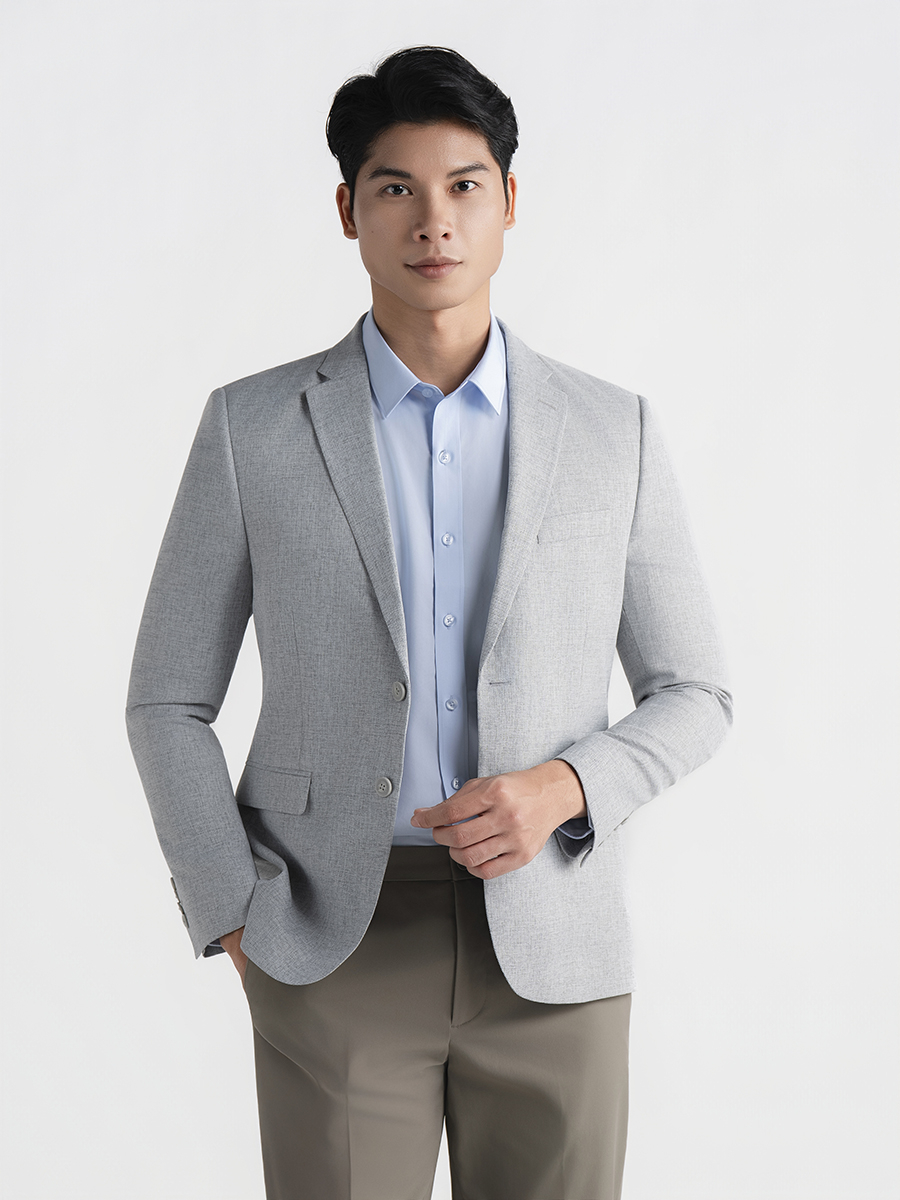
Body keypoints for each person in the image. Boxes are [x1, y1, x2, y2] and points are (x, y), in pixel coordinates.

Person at [126, 45, 732, 1200]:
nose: (434, 219)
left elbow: (697, 691)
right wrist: (234, 913)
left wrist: (566, 786)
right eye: (396, 187)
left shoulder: (614, 431)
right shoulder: (254, 428)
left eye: (464, 185)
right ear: (347, 210)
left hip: (555, 943)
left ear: (510, 202)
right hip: (333, 940)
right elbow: (165, 697)